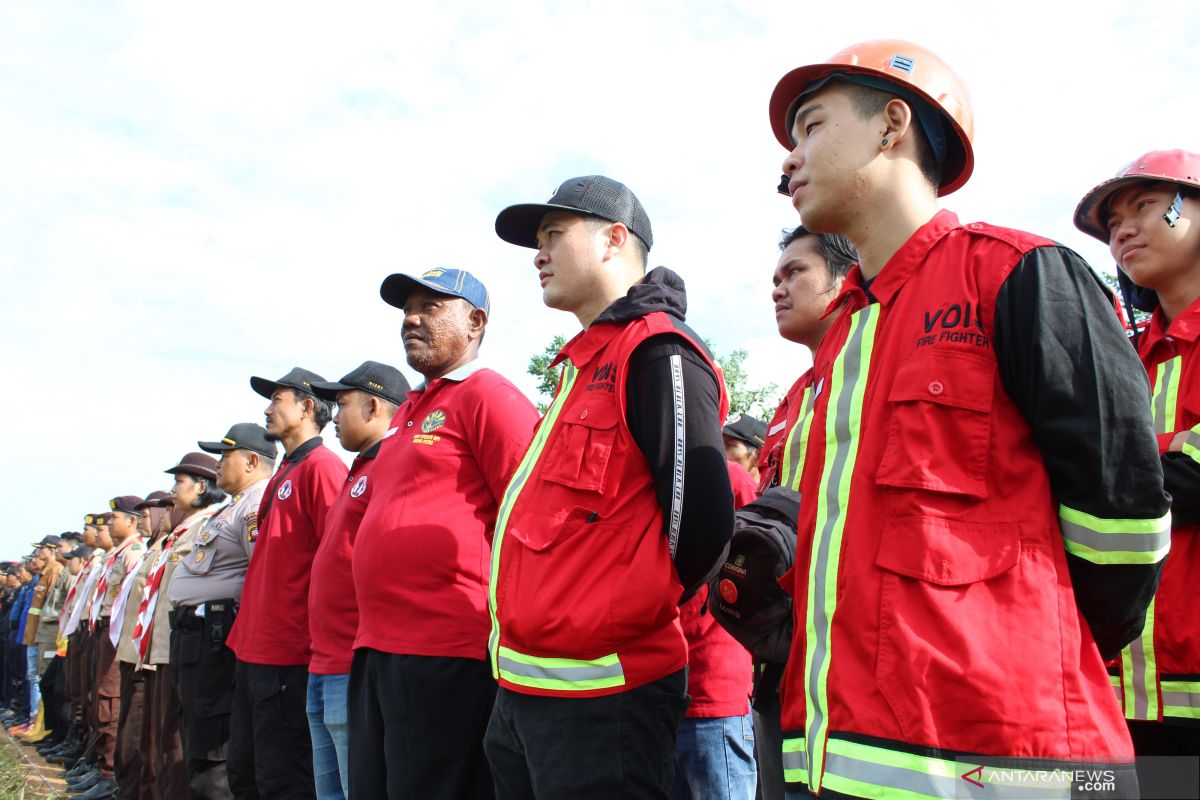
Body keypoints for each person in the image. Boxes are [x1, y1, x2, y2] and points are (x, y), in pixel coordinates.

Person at [768, 40, 1170, 798]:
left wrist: (1018, 635)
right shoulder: (849, 333)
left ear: (893, 125)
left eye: (811, 128)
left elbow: (1123, 518)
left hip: (1007, 762)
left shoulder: (1019, 274)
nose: (789, 162)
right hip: (838, 756)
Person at [488, 175, 735, 797]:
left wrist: (620, 618)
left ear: (613, 239)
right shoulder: (583, 362)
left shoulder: (657, 351)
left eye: (553, 235)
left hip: (604, 696)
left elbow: (703, 527)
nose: (538, 255)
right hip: (525, 692)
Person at [351, 271, 538, 799]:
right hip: (377, 647)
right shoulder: (408, 411)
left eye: (430, 307)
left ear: (476, 322)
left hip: (446, 649)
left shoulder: (489, 396)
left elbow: (529, 517)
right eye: (407, 309)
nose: (411, 318)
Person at [1073, 150, 1200, 763]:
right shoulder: (1119, 357)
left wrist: (1127, 461)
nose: (1122, 229)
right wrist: (1167, 450)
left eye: (1144, 206)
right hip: (1123, 689)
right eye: (1113, 221)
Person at [751, 226, 856, 800]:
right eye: (775, 277)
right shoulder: (794, 395)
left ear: (846, 281)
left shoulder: (878, 367)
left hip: (855, 660)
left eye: (796, 273)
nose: (777, 289)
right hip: (785, 658)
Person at [226, 368, 347, 800]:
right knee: (246, 769)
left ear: (307, 406)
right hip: (253, 647)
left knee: (285, 778)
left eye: (277, 399)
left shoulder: (323, 468)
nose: (267, 408)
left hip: (288, 652)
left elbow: (337, 562)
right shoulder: (286, 471)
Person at [304, 361, 407, 800]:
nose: (334, 419)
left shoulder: (393, 466)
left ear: (372, 407)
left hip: (352, 664)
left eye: (341, 404)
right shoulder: (359, 469)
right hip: (323, 662)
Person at [170, 423, 276, 799]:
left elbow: (259, 574)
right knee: (197, 738)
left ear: (250, 461)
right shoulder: (233, 506)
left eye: (224, 456)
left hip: (217, 636)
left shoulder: (256, 503)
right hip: (197, 636)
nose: (217, 464)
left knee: (214, 748)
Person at [132, 454, 226, 799]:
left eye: (179, 482)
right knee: (155, 738)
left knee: (173, 741)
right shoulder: (179, 532)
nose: (172, 492)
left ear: (201, 487)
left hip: (180, 649)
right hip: (159, 648)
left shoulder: (206, 526)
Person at [70, 496, 147, 800]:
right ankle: (96, 761)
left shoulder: (134, 553)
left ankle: (108, 771)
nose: (109, 523)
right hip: (99, 629)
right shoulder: (115, 555)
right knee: (94, 694)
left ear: (131, 521)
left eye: (115, 518)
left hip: (115, 632)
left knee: (109, 698)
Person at [722, 414, 767, 485]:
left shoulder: (770, 495)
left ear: (759, 457)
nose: (720, 451)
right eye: (720, 443)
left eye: (729, 445)